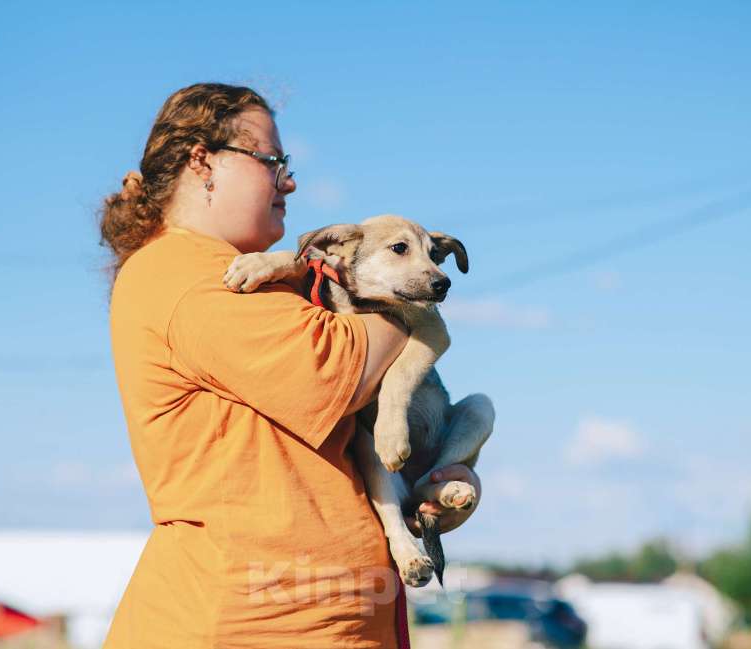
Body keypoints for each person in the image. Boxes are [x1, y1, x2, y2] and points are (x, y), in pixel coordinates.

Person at [99, 82, 482, 648]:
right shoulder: (181, 272)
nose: (290, 180)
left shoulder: (265, 277)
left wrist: (433, 477)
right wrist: (412, 307)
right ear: (202, 162)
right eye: (271, 161)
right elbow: (337, 370)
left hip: (323, 623)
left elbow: (353, 432)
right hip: (247, 627)